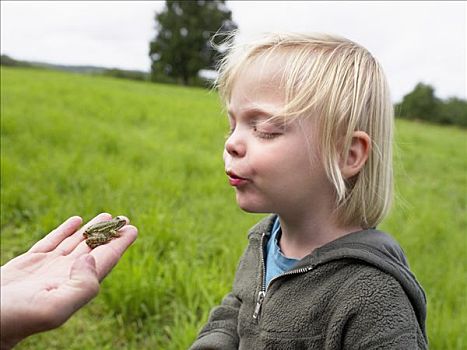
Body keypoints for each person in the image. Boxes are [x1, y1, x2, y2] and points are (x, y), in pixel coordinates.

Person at [190, 33, 428, 349]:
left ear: (347, 153)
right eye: (232, 125)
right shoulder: (264, 240)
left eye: (264, 129)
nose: (231, 143)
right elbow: (236, 309)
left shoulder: (373, 296)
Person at [0, 213, 137, 350]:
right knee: (105, 237)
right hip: (94, 234)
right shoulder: (114, 228)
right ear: (117, 224)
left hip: (91, 231)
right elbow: (114, 233)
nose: (121, 225)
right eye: (120, 224)